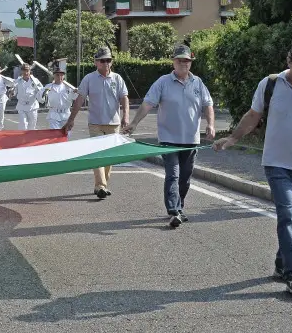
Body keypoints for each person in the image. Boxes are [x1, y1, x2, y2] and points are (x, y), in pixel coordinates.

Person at [213, 37, 292, 295]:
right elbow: (253, 115)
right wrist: (233, 138)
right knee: (287, 215)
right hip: (276, 163)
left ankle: (282, 264)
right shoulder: (271, 84)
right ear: (289, 62)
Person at [125, 45, 215, 228]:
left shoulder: (198, 83)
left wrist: (210, 124)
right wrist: (134, 123)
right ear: (173, 62)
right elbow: (147, 104)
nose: (183, 63)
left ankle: (179, 206)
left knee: (185, 177)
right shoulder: (163, 82)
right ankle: (174, 210)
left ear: (191, 63)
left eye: (186, 60)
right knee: (173, 174)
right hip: (168, 139)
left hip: (191, 140)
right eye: (180, 60)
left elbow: (208, 105)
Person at [63, 47, 129, 199]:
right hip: (95, 124)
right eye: (102, 60)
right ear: (96, 62)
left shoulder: (117, 78)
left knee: (109, 156)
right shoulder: (89, 79)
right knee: (98, 154)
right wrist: (71, 119)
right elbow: (80, 99)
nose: (106, 63)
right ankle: (100, 186)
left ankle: (102, 184)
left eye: (108, 60)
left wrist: (126, 116)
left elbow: (124, 97)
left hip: (113, 123)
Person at [43, 62, 77, 129]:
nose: (59, 77)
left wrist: (76, 92)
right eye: (57, 75)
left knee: (66, 135)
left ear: (64, 76)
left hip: (66, 114)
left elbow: (76, 98)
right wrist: (44, 93)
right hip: (54, 114)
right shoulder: (48, 87)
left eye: (61, 75)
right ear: (54, 76)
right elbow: (40, 98)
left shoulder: (69, 87)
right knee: (55, 135)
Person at [14, 62, 43, 130]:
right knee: (23, 125)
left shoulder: (35, 81)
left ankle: (29, 140)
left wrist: (41, 96)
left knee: (32, 126)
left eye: (27, 70)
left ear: (30, 71)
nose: (26, 72)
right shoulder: (18, 81)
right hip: (22, 106)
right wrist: (12, 92)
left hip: (32, 106)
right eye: (24, 70)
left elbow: (41, 91)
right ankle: (22, 140)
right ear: (21, 71)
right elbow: (14, 91)